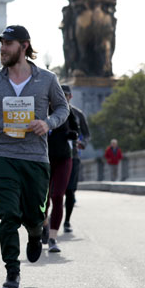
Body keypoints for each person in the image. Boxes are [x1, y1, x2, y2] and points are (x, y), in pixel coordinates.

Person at [0, 25, 69, 288]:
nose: (2, 48)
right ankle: (12, 271)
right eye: (1, 43)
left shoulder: (47, 79)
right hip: (3, 153)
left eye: (8, 43)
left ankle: (35, 232)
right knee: (7, 214)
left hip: (36, 158)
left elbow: (63, 108)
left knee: (34, 215)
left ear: (24, 46)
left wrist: (48, 123)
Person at [43, 98, 79, 253]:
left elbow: (77, 131)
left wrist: (72, 134)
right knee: (42, 199)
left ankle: (52, 237)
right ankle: (44, 224)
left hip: (64, 158)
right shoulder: (39, 108)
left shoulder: (66, 110)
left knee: (58, 196)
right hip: (42, 159)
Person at [62, 85, 90, 233]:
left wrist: (83, 143)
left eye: (66, 95)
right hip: (54, 156)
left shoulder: (77, 114)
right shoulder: (49, 113)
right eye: (61, 95)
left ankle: (67, 221)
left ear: (70, 97)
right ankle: (46, 222)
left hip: (73, 156)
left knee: (70, 191)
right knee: (51, 192)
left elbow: (86, 134)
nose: (63, 97)